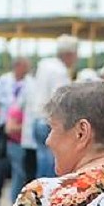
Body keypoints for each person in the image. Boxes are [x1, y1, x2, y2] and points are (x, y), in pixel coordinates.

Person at [27, 34, 78, 179]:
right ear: (69, 54)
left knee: (41, 159)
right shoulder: (60, 72)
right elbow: (61, 100)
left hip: (37, 119)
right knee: (52, 163)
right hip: (49, 121)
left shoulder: (44, 65)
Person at [0, 57, 32, 206]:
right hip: (3, 124)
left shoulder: (30, 83)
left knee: (18, 167)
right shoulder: (3, 81)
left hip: (20, 127)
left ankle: (15, 200)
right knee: (1, 164)